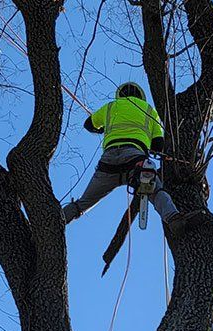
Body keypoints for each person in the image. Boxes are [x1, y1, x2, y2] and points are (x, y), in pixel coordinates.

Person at [61, 82, 202, 239]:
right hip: (135, 158)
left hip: (108, 162)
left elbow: (88, 125)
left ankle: (53, 223)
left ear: (120, 94)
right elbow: (158, 144)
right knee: (156, 191)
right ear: (140, 95)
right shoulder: (149, 110)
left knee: (82, 204)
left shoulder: (111, 107)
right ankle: (173, 218)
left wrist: (102, 129)